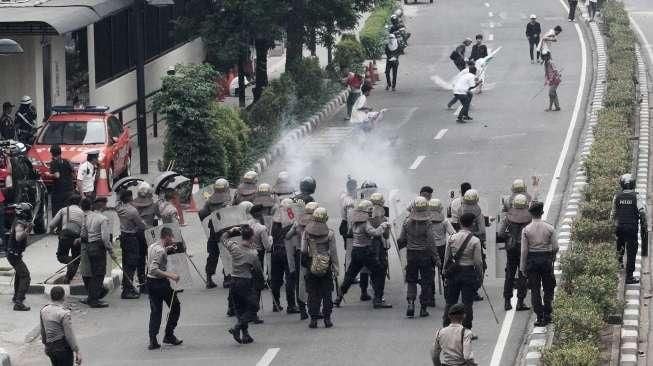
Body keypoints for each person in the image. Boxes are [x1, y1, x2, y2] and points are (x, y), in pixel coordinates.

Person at [335, 199, 392, 309]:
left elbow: (350, 233)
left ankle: (339, 297)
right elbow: (375, 233)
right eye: (370, 210)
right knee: (379, 272)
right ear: (366, 211)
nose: (371, 213)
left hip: (356, 251)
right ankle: (378, 300)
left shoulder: (354, 222)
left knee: (350, 275)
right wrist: (383, 225)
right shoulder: (365, 224)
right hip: (366, 251)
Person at [398, 197, 439, 318]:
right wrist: (436, 257)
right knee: (426, 281)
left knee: (411, 280)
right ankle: (423, 308)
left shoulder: (406, 222)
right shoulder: (427, 224)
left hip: (411, 254)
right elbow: (431, 242)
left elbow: (402, 239)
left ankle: (410, 303)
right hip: (425, 254)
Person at [442, 213, 483, 331]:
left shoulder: (451, 238)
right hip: (468, 272)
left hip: (454, 272)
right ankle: (466, 330)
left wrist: (445, 271)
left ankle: (446, 327)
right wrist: (479, 275)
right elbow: (478, 262)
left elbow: (447, 258)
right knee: (467, 303)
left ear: (460, 223)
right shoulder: (475, 240)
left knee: (450, 302)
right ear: (473, 224)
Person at [224, 225, 263, 344]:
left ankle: (245, 334)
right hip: (245, 281)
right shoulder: (252, 253)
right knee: (254, 306)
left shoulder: (234, 247)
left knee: (240, 309)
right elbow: (258, 270)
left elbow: (223, 238)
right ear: (251, 238)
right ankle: (238, 326)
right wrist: (261, 283)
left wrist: (231, 231)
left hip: (233, 281)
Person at [520, 201, 557, 326]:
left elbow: (524, 250)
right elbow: (555, 247)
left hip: (532, 261)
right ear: (542, 212)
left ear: (531, 213)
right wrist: (552, 258)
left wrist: (522, 266)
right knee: (548, 287)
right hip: (546, 260)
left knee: (535, 289)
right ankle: (548, 313)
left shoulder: (526, 230)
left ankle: (539, 316)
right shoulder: (549, 228)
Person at [302, 207, 339, 328]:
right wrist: (336, 267)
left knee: (313, 293)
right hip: (325, 265)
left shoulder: (306, 232)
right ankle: (327, 319)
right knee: (327, 292)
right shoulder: (330, 233)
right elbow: (333, 252)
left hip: (311, 263)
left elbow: (303, 250)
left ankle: (313, 319)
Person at [146, 227, 183, 350]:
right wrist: (171, 275)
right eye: (171, 237)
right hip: (160, 283)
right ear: (166, 236)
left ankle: (153, 339)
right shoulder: (160, 251)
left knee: (155, 311)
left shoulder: (152, 246)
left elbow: (155, 259)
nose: (172, 240)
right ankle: (169, 334)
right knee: (175, 306)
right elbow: (153, 269)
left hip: (150, 283)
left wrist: (167, 250)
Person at [498, 183, 532, 311]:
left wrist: (508, 236)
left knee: (510, 274)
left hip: (511, 248)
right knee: (523, 274)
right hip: (525, 248)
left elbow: (501, 233)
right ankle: (520, 302)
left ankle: (507, 301)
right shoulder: (529, 218)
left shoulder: (508, 217)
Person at [286, 201, 320, 320]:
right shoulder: (317, 223)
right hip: (313, 254)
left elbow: (287, 236)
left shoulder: (297, 223)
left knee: (300, 282)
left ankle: (302, 310)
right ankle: (314, 309)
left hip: (299, 254)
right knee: (314, 281)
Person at [612, 174, 647, 284]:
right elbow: (642, 212)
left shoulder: (617, 196)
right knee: (632, 252)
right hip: (632, 228)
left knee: (620, 246)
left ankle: (619, 265)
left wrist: (612, 226)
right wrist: (644, 226)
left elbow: (613, 213)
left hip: (620, 227)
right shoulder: (636, 196)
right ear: (633, 184)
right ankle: (629, 277)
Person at [79, 197, 114, 308]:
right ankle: (94, 300)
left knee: (93, 273)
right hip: (98, 247)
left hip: (89, 246)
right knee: (98, 275)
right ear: (103, 206)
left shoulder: (87, 217)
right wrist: (111, 251)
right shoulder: (103, 219)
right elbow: (105, 238)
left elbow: (83, 234)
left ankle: (91, 297)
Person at [199, 178, 231, 289]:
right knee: (227, 255)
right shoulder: (229, 200)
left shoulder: (209, 201)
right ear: (227, 188)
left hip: (214, 231)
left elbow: (202, 213)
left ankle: (209, 279)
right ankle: (227, 279)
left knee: (213, 255)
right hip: (227, 231)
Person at [40, 286, 82, 366]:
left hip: (50, 348)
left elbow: (43, 331)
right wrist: (77, 351)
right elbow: (69, 335)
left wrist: (46, 345)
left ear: (51, 296)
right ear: (63, 297)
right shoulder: (64, 313)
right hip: (62, 348)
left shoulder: (43, 310)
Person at [116, 189, 146, 299]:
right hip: (131, 237)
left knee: (126, 262)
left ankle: (126, 286)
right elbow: (141, 225)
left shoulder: (119, 208)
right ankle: (127, 290)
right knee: (132, 263)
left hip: (123, 236)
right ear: (130, 198)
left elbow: (117, 201)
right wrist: (144, 223)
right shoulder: (132, 211)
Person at [49, 194, 84, 284]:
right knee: (76, 259)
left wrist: (52, 231)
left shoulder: (64, 210)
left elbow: (52, 224)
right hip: (77, 237)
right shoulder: (82, 212)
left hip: (65, 235)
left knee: (61, 256)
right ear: (80, 203)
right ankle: (68, 278)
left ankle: (69, 261)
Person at [131, 182, 159, 292]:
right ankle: (149, 282)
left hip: (137, 233)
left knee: (140, 258)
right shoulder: (154, 205)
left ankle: (142, 283)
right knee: (151, 258)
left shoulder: (132, 204)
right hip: (150, 233)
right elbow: (159, 216)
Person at [428, 198, 456, 305]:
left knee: (429, 273)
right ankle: (447, 295)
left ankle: (430, 297)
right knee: (445, 272)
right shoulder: (444, 221)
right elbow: (453, 234)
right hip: (442, 249)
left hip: (429, 249)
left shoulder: (426, 221)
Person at [8, 202, 33, 311]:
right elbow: (18, 237)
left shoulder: (19, 222)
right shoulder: (19, 224)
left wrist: (28, 229)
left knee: (20, 274)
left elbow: (24, 240)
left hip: (14, 254)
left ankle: (16, 297)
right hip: (14, 255)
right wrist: (27, 230)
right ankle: (19, 302)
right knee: (25, 276)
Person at [49, 145, 75, 217]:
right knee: (68, 212)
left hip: (58, 192)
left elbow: (57, 175)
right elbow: (74, 174)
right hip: (69, 189)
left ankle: (58, 227)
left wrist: (48, 174)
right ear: (60, 152)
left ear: (52, 153)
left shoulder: (53, 162)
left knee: (57, 212)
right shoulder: (67, 161)